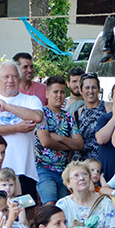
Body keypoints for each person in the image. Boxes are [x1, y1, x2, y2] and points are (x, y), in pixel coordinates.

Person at [0, 61, 44, 200]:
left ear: (19, 78)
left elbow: (37, 116)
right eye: (6, 77)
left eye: (14, 76)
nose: (10, 81)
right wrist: (15, 128)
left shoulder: (31, 100)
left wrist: (7, 107)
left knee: (26, 215)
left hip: (25, 171)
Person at [34, 77, 82, 205]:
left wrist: (59, 137)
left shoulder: (68, 116)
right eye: (55, 92)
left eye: (62, 92)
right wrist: (69, 145)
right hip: (44, 168)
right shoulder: (41, 114)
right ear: (47, 94)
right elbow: (46, 142)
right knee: (50, 204)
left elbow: (79, 144)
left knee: (62, 206)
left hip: (64, 170)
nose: (59, 95)